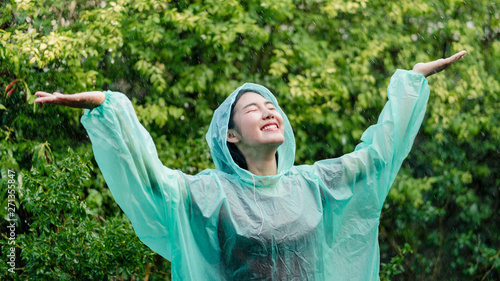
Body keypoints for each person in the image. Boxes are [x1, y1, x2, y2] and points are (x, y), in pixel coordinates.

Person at [35, 51, 467, 280]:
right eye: (253, 108)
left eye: (272, 105)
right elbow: (152, 179)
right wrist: (110, 108)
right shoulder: (209, 194)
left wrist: (411, 81)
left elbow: (377, 157)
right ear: (230, 134)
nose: (268, 111)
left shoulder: (315, 184)